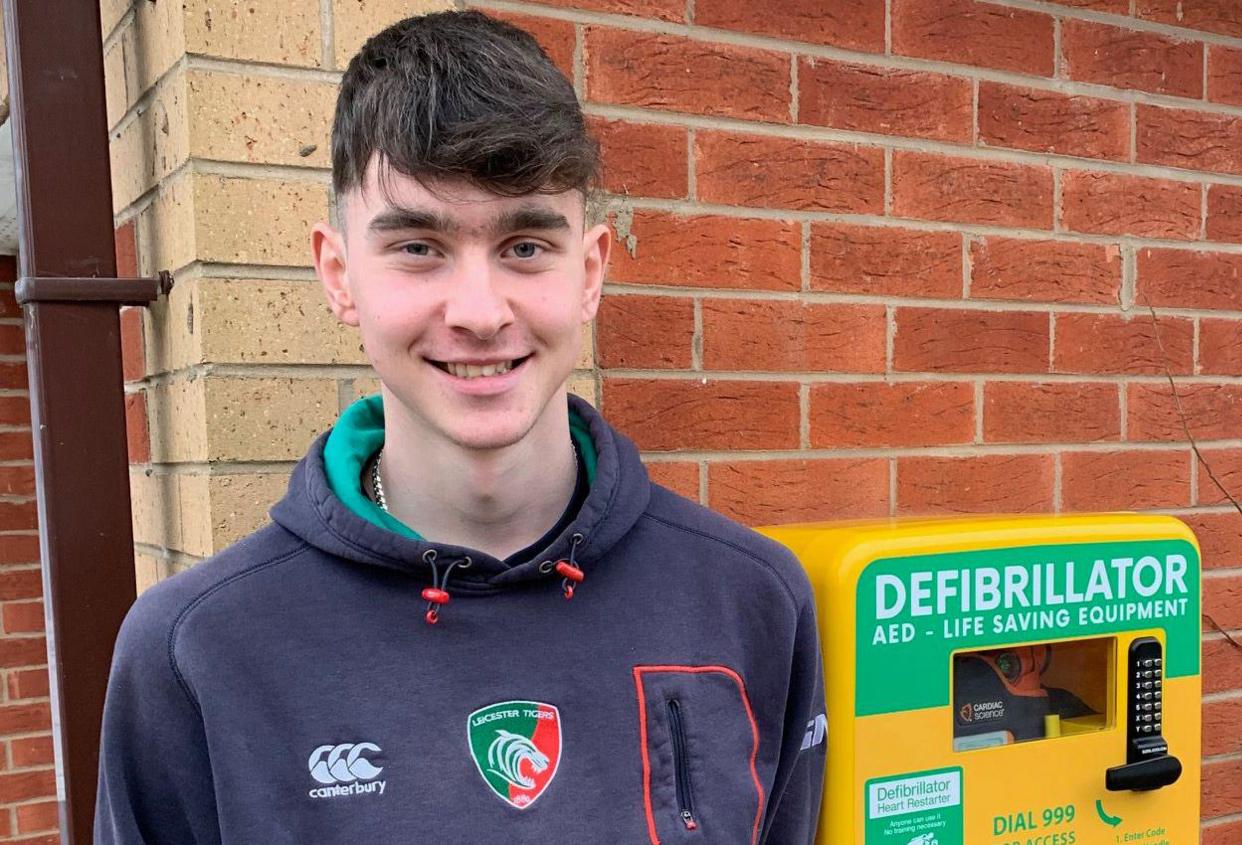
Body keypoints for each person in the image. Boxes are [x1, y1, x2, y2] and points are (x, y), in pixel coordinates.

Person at [94, 10, 825, 843]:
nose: (480, 313)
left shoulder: (755, 600)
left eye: (524, 246)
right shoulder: (194, 652)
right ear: (340, 277)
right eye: (417, 246)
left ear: (589, 273)